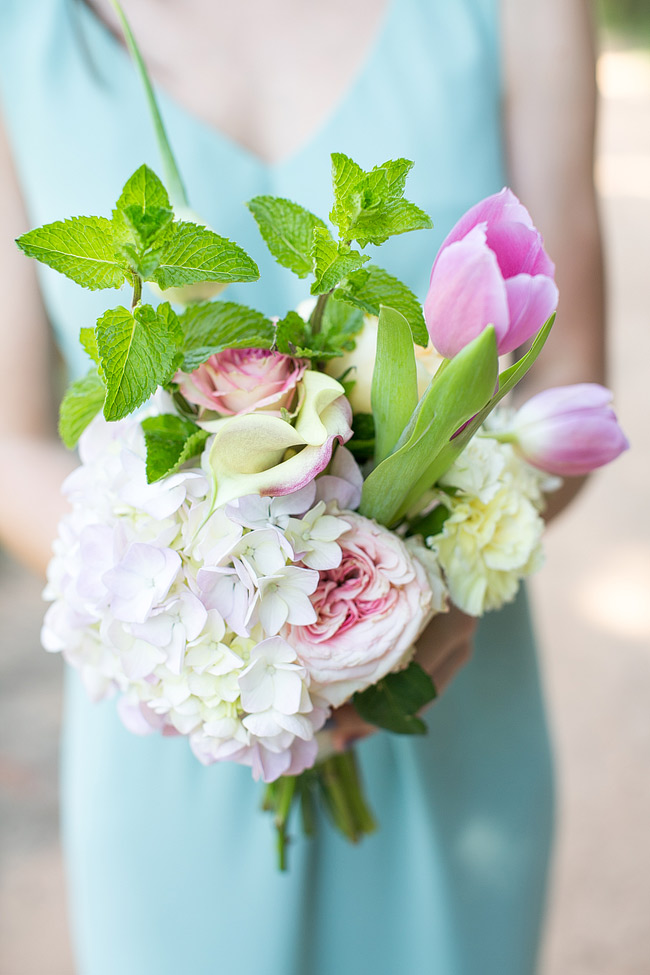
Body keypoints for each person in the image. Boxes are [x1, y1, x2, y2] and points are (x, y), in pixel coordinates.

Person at [0, 0, 604, 972]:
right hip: (177, 721)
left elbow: (563, 370)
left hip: (443, 684)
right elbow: (7, 442)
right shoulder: (21, 37)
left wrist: (414, 595)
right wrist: (202, 621)